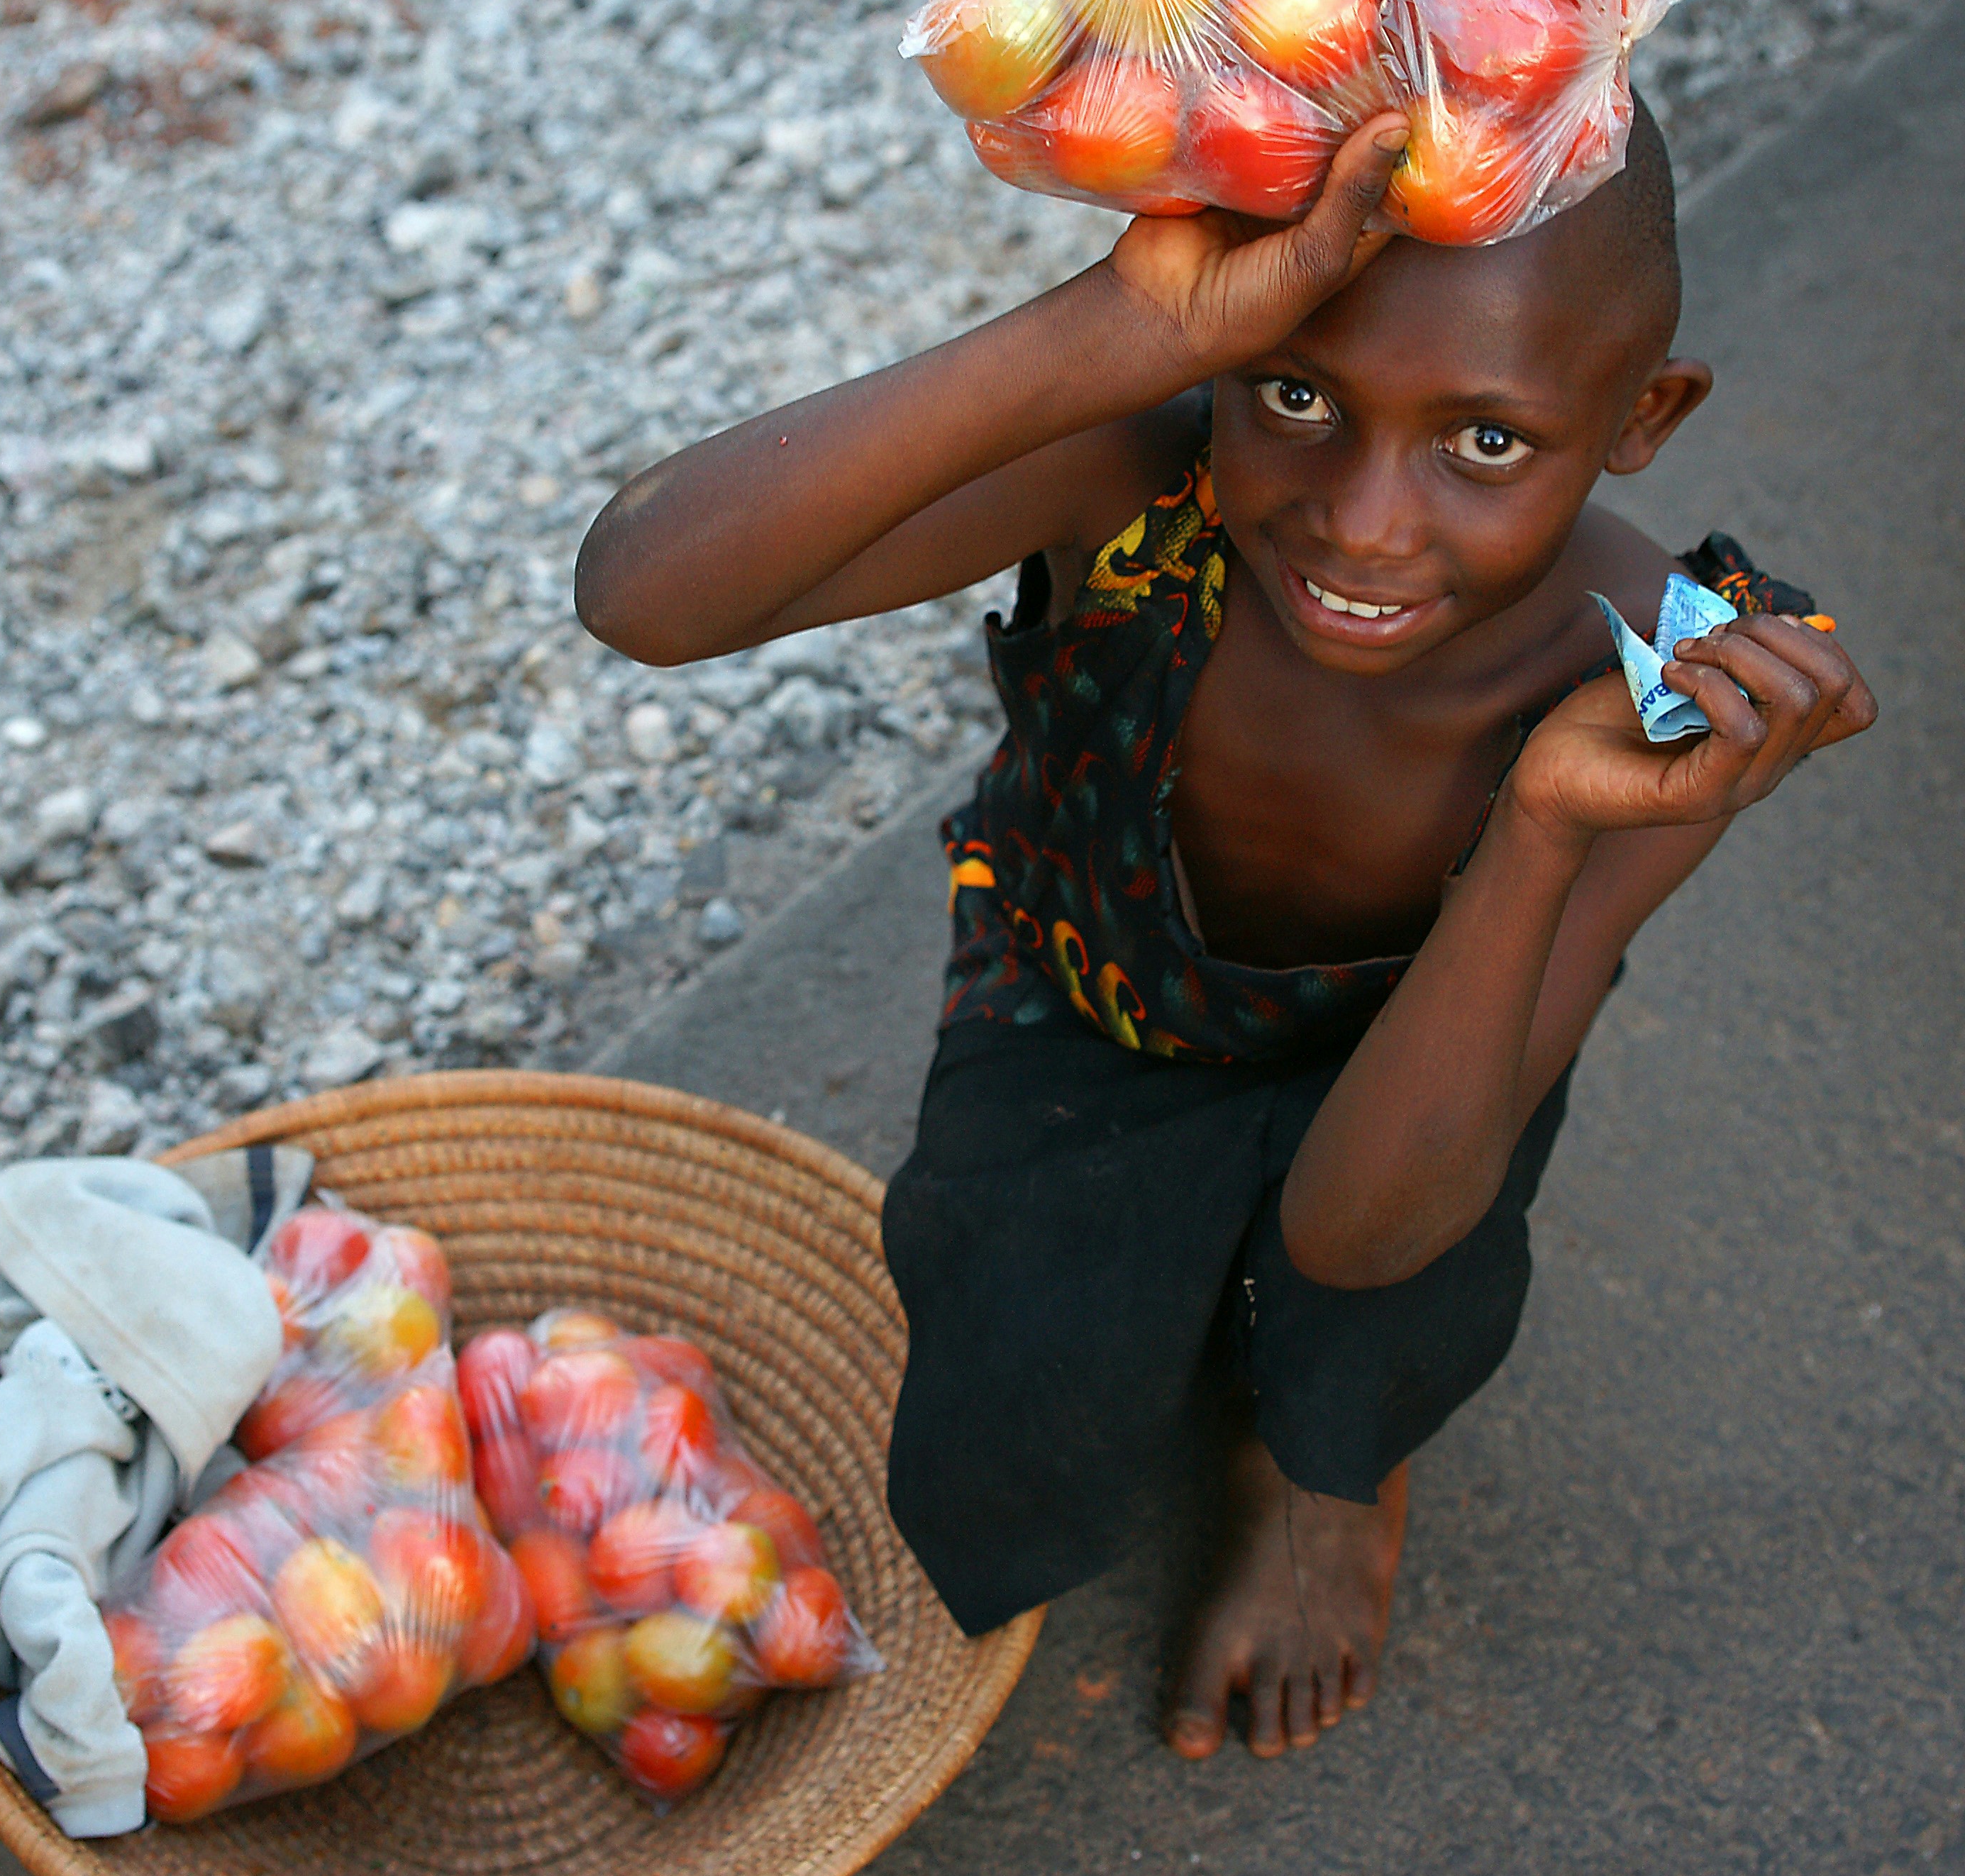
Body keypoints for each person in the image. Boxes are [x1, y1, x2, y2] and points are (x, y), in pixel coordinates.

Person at [572, 101, 1876, 1760]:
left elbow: (1359, 1232)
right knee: (1027, 1332)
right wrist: (1106, 338)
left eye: (1486, 442)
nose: (1366, 522)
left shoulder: (1673, 686)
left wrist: (1546, 829)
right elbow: (644, 595)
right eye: (1301, 395)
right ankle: (1168, 1421)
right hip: (1081, 982)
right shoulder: (1138, 468)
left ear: (1644, 416)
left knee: (1389, 1307)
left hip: (1439, 1029)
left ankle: (1322, 1481)